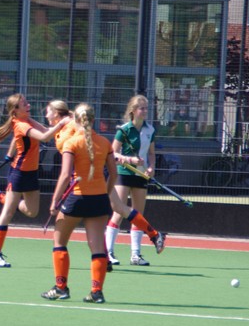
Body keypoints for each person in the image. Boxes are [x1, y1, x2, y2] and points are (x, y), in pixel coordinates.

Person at [44, 100, 166, 272]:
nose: (45, 116)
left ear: (57, 113)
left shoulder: (71, 126)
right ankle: (149, 237)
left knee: (114, 211)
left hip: (91, 179)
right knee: (115, 210)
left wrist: (125, 159)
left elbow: (48, 138)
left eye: (48, 112)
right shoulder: (62, 128)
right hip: (89, 179)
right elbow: (45, 134)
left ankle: (152, 235)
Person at [0, 93, 69, 268]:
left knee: (32, 211)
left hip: (31, 173)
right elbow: (44, 138)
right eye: (24, 104)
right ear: (15, 110)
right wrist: (61, 124)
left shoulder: (26, 120)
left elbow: (44, 131)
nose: (28, 106)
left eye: (27, 103)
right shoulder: (21, 124)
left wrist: (9, 154)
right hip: (19, 173)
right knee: (8, 213)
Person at [41, 103, 115, 303]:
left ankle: (60, 288)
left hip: (76, 198)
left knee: (59, 241)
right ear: (93, 120)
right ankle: (96, 292)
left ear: (75, 120)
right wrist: (105, 194)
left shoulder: (71, 143)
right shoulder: (105, 142)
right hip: (99, 199)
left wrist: (55, 200)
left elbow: (65, 175)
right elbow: (113, 174)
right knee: (97, 247)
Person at [105, 94, 158, 267]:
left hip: (140, 175)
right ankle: (108, 252)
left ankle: (136, 254)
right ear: (133, 110)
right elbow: (112, 153)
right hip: (123, 173)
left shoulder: (150, 130)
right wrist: (129, 160)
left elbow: (151, 153)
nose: (145, 111)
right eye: (141, 108)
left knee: (138, 215)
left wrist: (151, 167)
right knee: (119, 211)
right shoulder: (124, 130)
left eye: (146, 108)